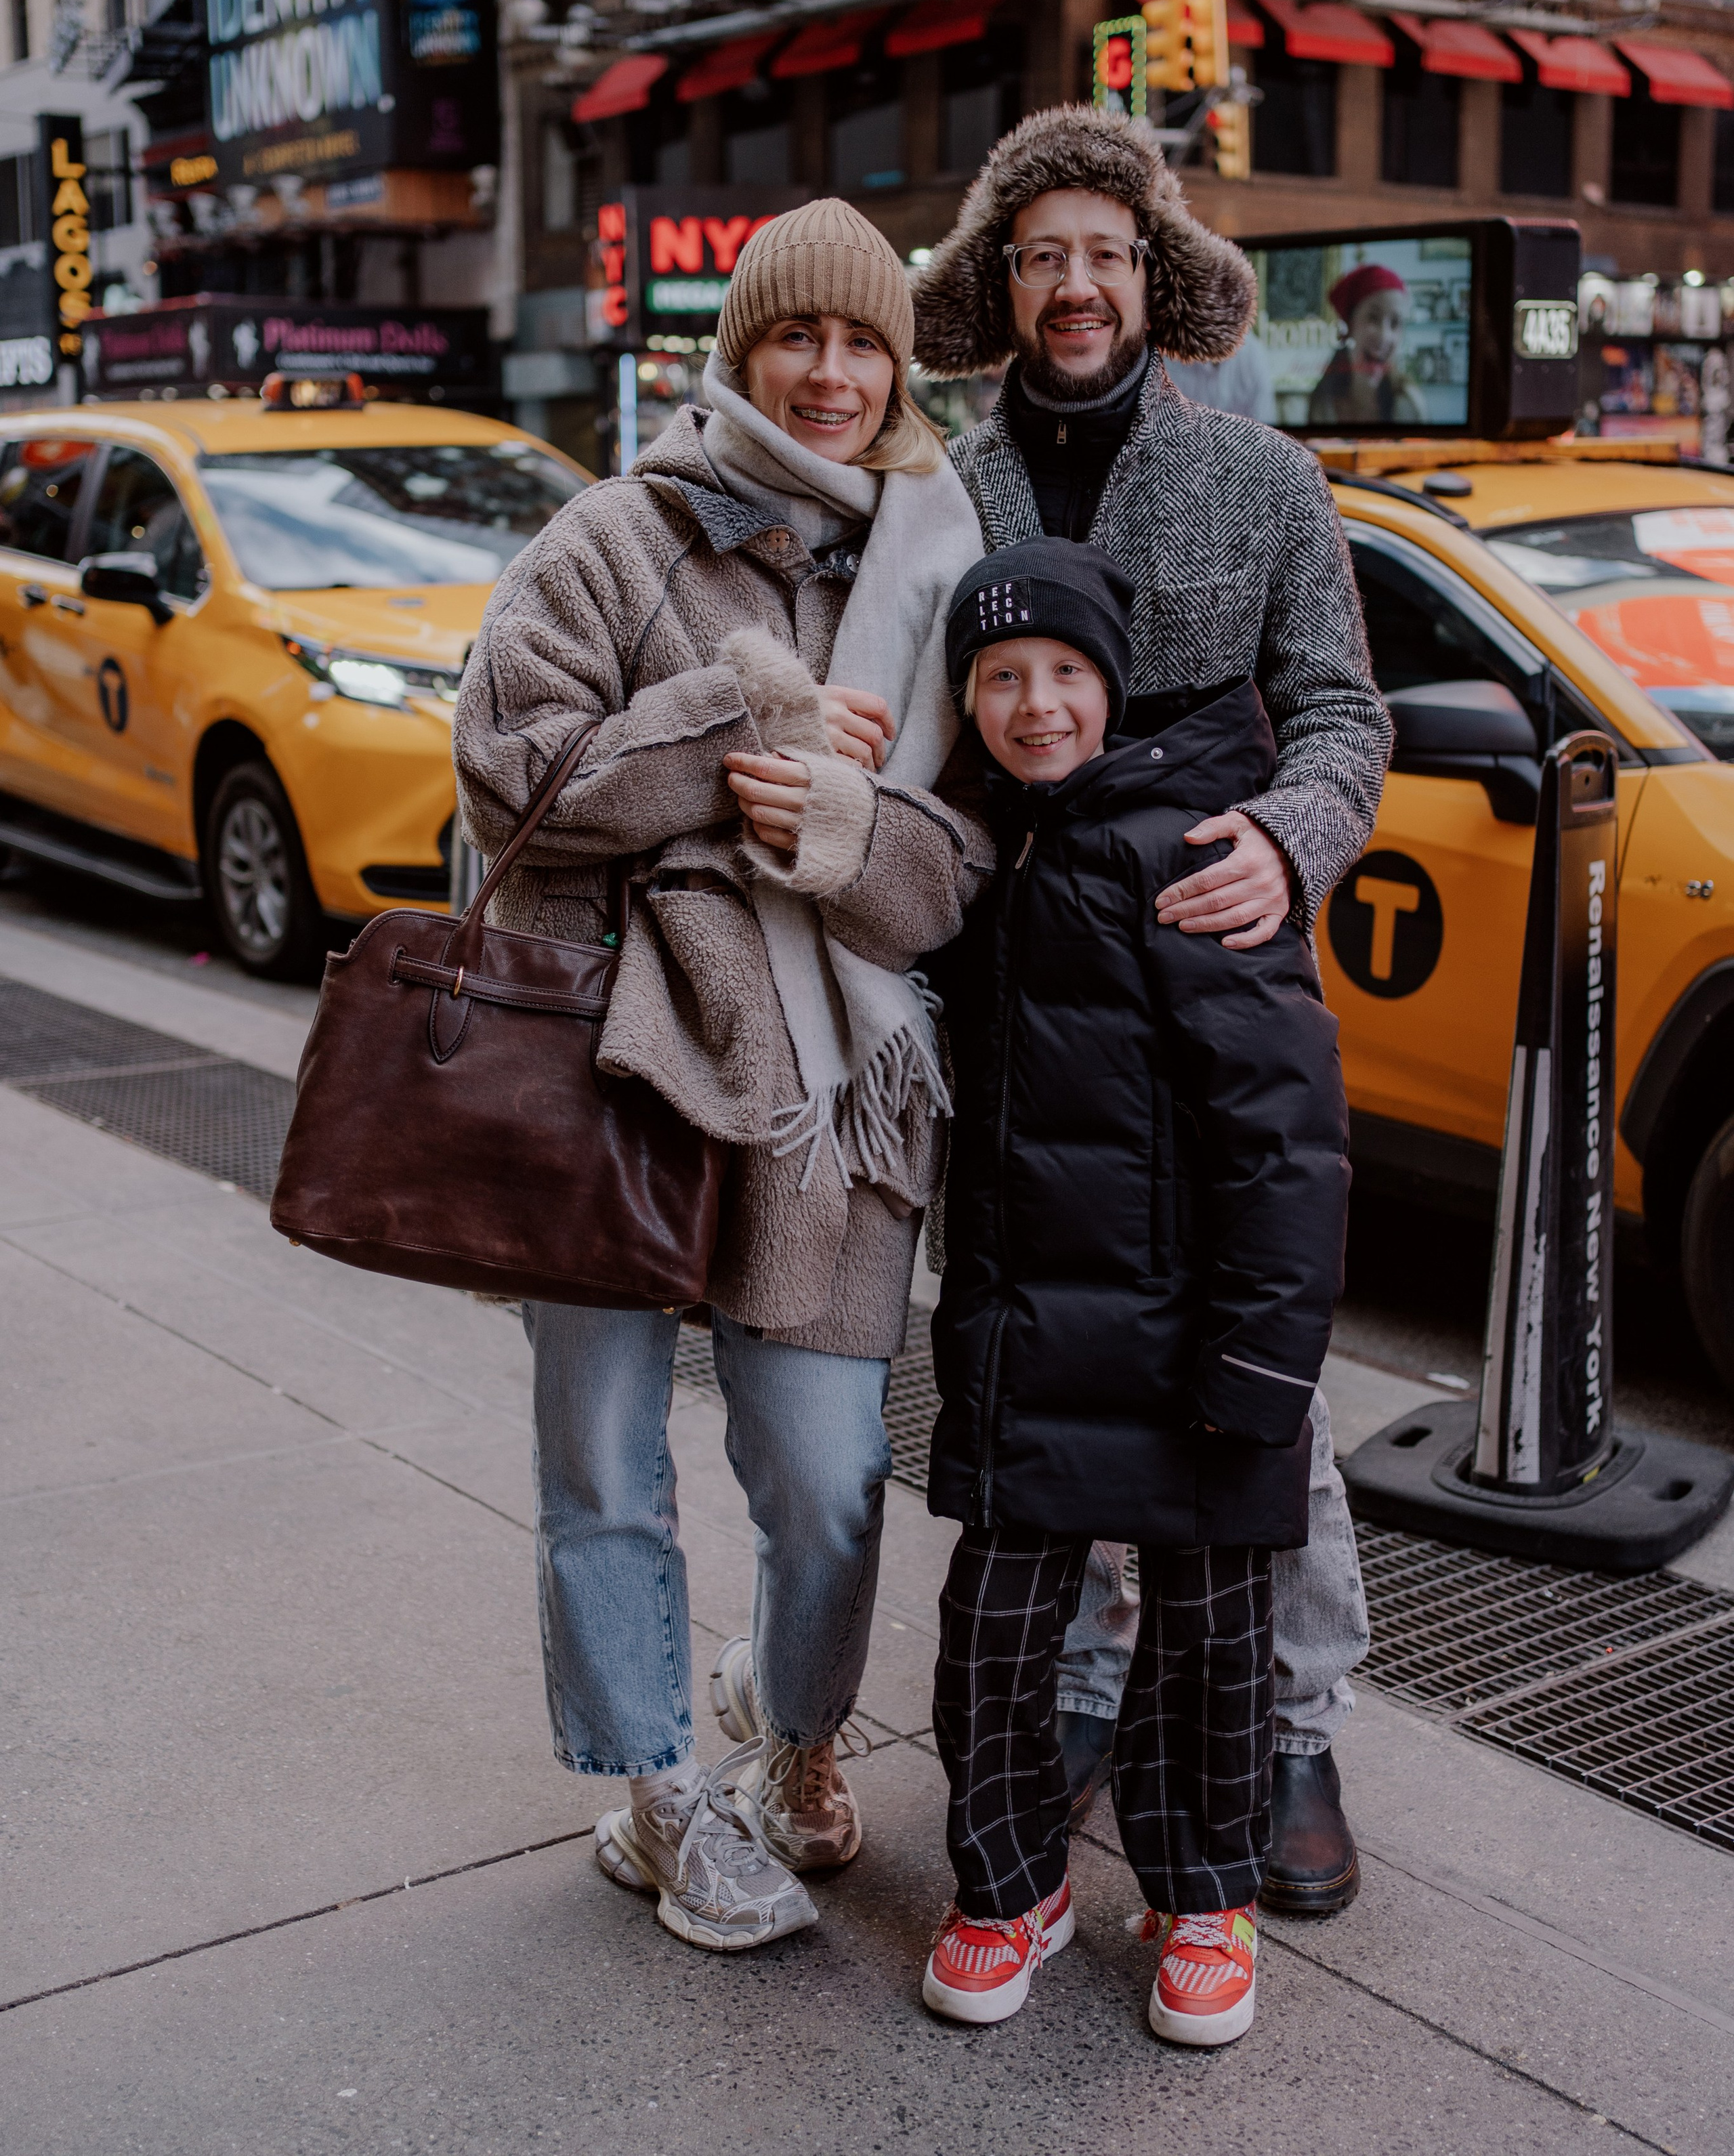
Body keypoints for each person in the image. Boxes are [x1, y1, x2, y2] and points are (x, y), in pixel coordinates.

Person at [452, 198, 992, 1953]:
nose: (829, 373)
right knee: (606, 1460)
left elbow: (956, 864)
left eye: (862, 343)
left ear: (897, 366)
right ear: (740, 347)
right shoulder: (611, 535)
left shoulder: (930, 570)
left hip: (833, 1092)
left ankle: (796, 1731)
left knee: (832, 1475)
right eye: (797, 336)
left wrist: (847, 826)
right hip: (607, 1065)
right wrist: (735, 717)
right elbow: (506, 769)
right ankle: (656, 1787)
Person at [912, 106, 1390, 1916]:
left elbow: (1342, 712)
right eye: (1044, 254)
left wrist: (1289, 835)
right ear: (1004, 284)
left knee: (1260, 1380)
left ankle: (1290, 1716)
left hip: (1210, 961)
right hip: (1022, 985)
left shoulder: (1264, 477)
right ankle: (1111, 1688)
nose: (1079, 283)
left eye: (1109, 250)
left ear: (1156, 277)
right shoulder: (942, 485)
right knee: (1057, 1356)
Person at [921, 540, 1350, 2043]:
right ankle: (1006, 1883)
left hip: (1195, 1345)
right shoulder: (984, 856)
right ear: (965, 703)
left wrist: (1264, 1365)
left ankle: (1202, 1890)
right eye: (998, 680)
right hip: (1027, 1338)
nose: (1033, 706)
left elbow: (1286, 1138)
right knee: (989, 1631)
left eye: (1061, 675)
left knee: (1210, 1644)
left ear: (1110, 688)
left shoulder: (1194, 854)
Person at [1306, 264, 1425, 429]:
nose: (1384, 336)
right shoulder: (1324, 402)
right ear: (1351, 324)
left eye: (1395, 323)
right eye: (1373, 318)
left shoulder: (1409, 403)